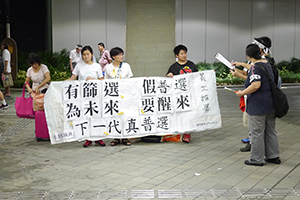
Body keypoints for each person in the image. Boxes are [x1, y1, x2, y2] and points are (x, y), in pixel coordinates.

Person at [235, 44, 280, 166]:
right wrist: (240, 66)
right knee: (270, 131)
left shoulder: (256, 68)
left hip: (258, 105)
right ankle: (273, 156)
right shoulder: (267, 64)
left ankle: (256, 159)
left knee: (256, 132)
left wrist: (242, 93)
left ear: (248, 56)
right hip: (271, 104)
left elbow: (255, 85)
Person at [67, 45, 105, 148]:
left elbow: (102, 80)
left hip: (95, 95)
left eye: (88, 54)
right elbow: (72, 78)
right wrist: (58, 84)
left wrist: (93, 80)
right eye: (84, 54)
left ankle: (98, 138)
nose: (86, 56)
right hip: (83, 95)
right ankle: (88, 138)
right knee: (86, 116)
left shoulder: (97, 66)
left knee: (96, 116)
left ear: (92, 54)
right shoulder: (79, 66)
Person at [165, 44, 198, 143]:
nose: (184, 55)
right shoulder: (173, 67)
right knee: (181, 114)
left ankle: (187, 134)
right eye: (181, 53)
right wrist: (168, 76)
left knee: (190, 114)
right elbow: (167, 81)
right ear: (176, 55)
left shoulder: (191, 64)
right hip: (179, 95)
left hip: (190, 94)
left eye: (185, 53)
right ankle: (180, 132)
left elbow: (197, 77)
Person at [105, 47, 133, 146]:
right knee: (115, 115)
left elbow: (131, 80)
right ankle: (116, 137)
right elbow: (106, 81)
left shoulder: (126, 66)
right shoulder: (108, 67)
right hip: (113, 95)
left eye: (122, 54)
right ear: (113, 57)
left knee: (125, 115)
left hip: (125, 95)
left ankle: (125, 137)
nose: (121, 56)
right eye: (119, 55)